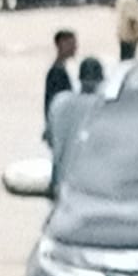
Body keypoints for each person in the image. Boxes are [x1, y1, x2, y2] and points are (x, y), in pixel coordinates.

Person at [44, 57, 106, 189]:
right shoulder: (103, 107)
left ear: (79, 79)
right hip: (88, 185)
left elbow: (49, 139)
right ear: (101, 80)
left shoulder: (60, 102)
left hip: (59, 181)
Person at [45, 30, 78, 116]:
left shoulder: (60, 69)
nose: (75, 47)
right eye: (71, 44)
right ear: (61, 44)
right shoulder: (57, 73)